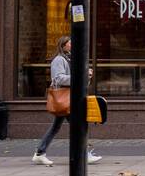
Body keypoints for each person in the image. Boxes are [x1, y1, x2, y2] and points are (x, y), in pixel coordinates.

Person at [32, 36, 102, 166]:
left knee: (56, 127)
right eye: (70, 43)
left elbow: (79, 80)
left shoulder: (70, 59)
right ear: (63, 45)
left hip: (70, 99)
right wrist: (80, 76)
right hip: (65, 99)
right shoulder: (59, 60)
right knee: (79, 126)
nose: (72, 45)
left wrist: (87, 75)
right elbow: (58, 79)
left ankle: (40, 153)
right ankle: (84, 155)